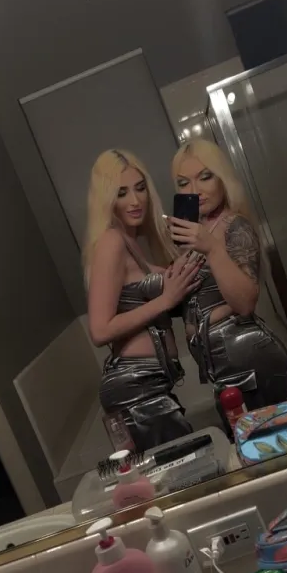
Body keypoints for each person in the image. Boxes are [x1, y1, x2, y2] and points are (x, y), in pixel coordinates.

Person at [85, 149, 200, 451]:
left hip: (149, 385)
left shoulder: (129, 241)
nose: (135, 201)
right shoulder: (111, 242)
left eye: (140, 188)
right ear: (107, 199)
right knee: (188, 468)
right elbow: (99, 330)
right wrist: (166, 300)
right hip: (136, 389)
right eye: (122, 193)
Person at [169, 139, 287, 417]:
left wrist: (211, 248)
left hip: (248, 359)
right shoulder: (198, 231)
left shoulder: (235, 226)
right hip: (222, 365)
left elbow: (245, 302)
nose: (195, 190)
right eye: (184, 183)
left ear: (222, 179)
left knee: (265, 436)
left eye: (205, 177)